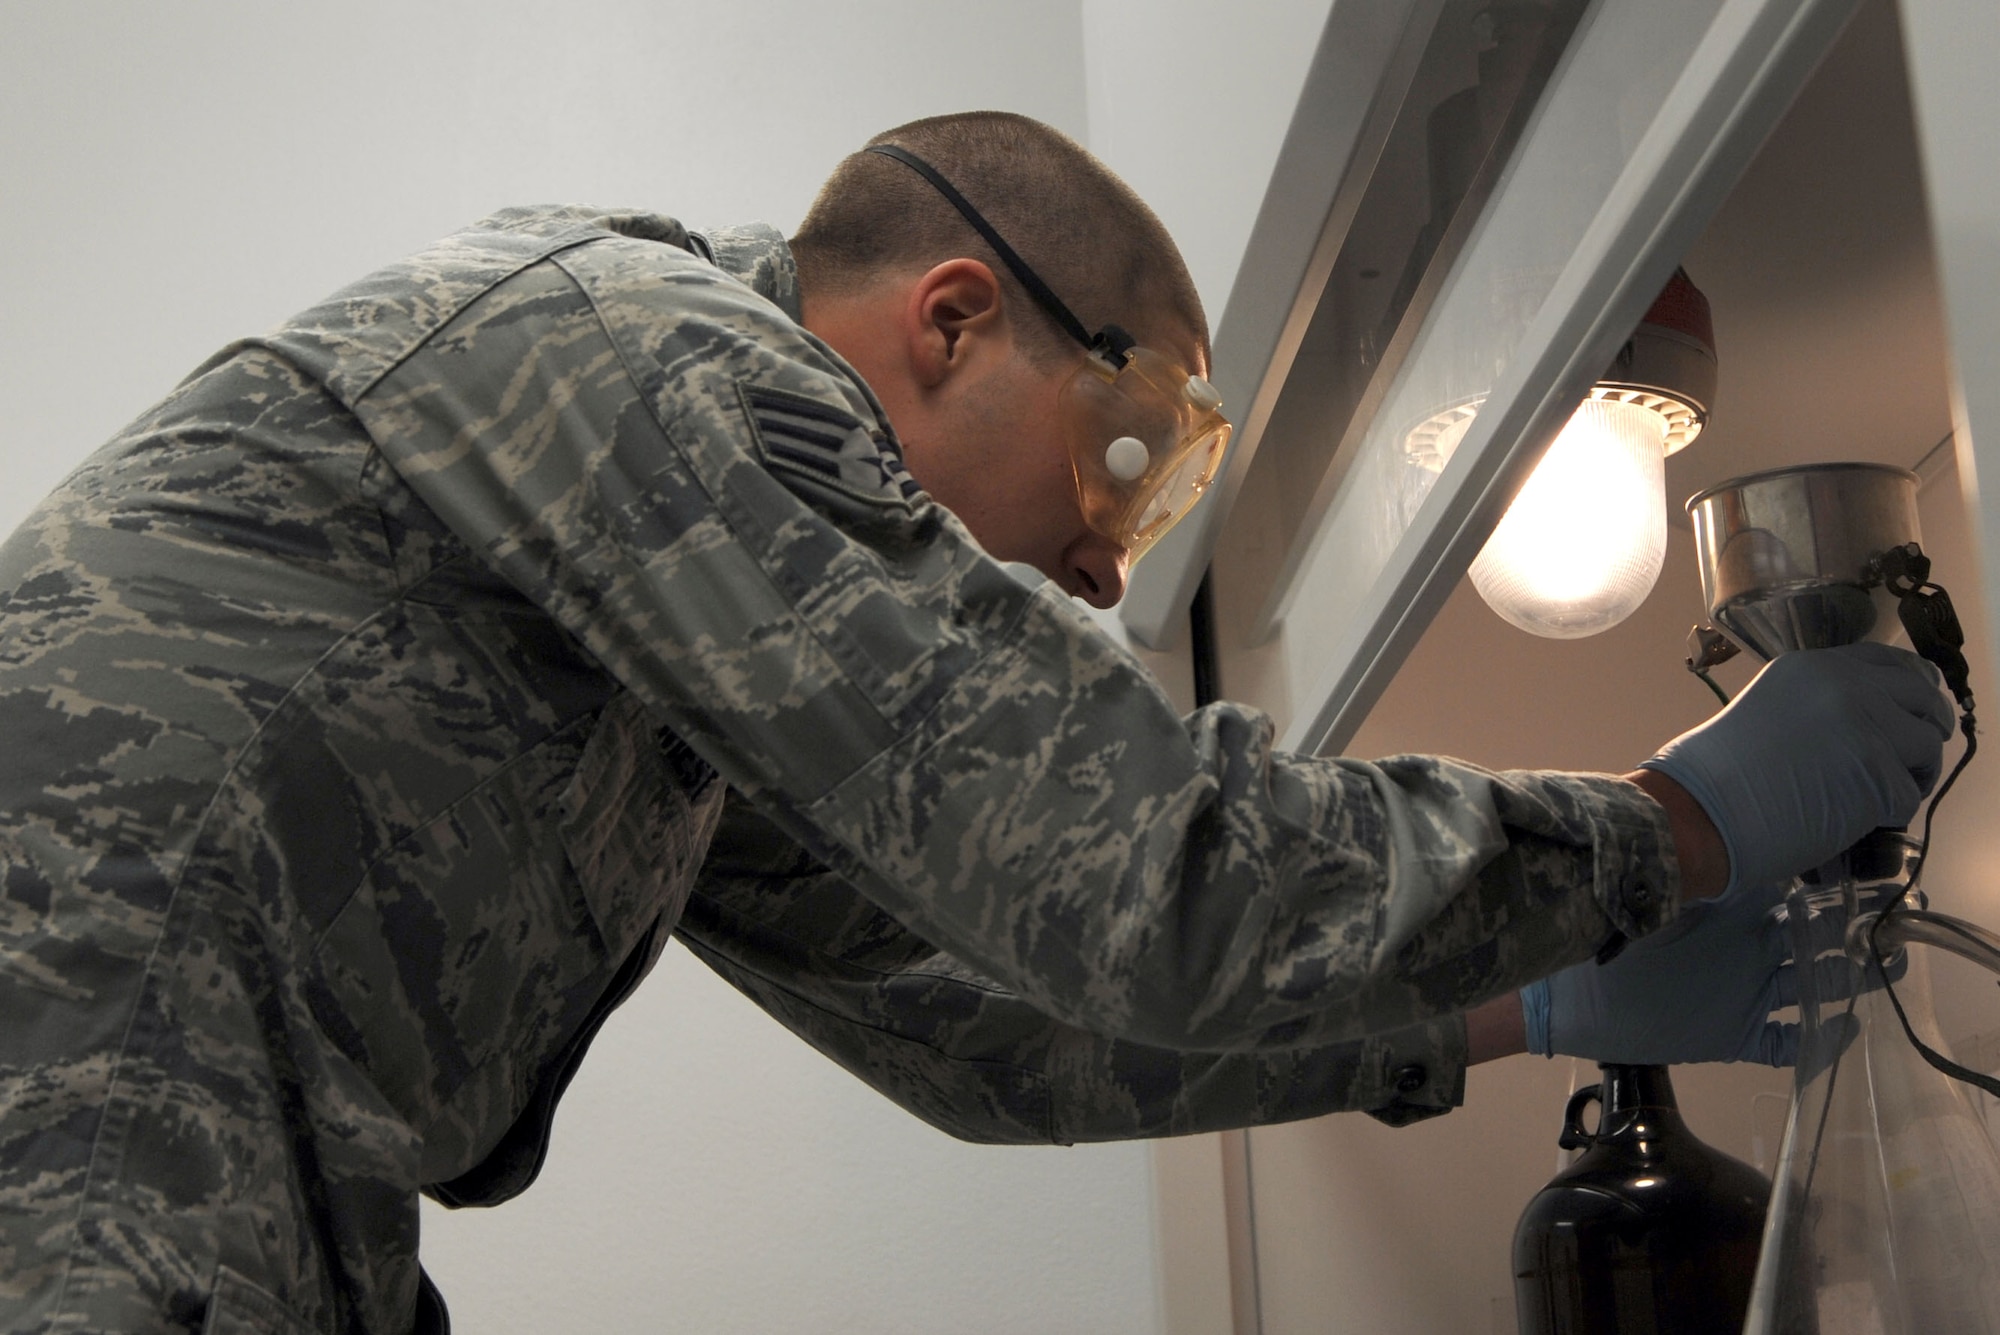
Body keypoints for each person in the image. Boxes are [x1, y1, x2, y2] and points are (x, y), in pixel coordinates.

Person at [0, 111, 1950, 1335]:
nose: (1105, 570)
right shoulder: (658, 360)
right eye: (1136, 456)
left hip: (218, 1149)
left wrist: (1519, 1007)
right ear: (952, 316)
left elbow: (991, 1026)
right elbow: (1122, 863)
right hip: (94, 1116)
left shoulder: (682, 609)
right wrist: (1659, 826)